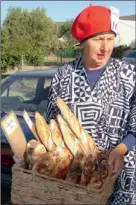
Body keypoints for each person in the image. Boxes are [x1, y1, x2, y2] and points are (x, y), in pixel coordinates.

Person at [46, 4, 136, 205]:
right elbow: (53, 125)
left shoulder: (129, 76)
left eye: (110, 39)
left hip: (121, 176)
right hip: (76, 180)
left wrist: (121, 149)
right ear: (83, 42)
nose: (106, 48)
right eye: (98, 40)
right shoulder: (63, 76)